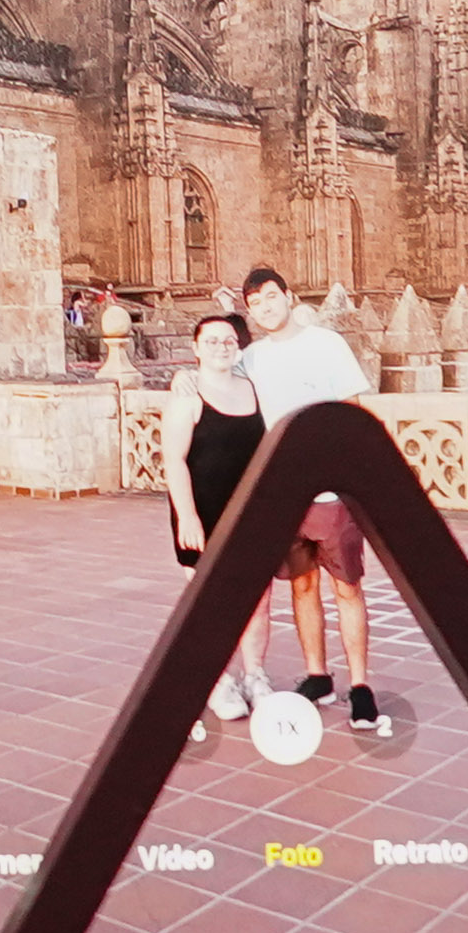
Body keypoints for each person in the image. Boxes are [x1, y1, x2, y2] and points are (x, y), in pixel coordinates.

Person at [233, 264, 392, 736]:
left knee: (346, 587)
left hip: (330, 492)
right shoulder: (252, 358)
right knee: (301, 587)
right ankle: (318, 675)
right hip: (284, 493)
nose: (265, 307)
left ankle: (360, 686)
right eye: (255, 303)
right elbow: (220, 388)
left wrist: (354, 482)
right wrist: (184, 382)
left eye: (270, 297)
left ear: (288, 295)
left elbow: (353, 413)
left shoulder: (326, 344)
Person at [161, 311, 298, 753]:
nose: (221, 346)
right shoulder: (187, 397)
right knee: (210, 604)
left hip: (251, 513)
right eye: (212, 340)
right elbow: (174, 461)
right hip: (204, 513)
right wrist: (187, 517)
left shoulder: (254, 389)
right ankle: (217, 680)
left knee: (258, 602)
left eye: (228, 340)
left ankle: (254, 673)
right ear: (196, 348)